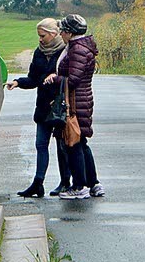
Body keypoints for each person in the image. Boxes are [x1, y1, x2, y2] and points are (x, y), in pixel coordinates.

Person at [6, 18, 71, 198]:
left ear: (53, 34)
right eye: (39, 36)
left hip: (59, 105)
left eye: (43, 36)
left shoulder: (65, 52)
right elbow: (34, 79)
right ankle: (38, 183)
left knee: (62, 145)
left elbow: (71, 78)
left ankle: (66, 182)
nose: (40, 40)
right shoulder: (39, 53)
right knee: (41, 144)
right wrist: (18, 82)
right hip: (43, 106)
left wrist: (56, 78)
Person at [44, 14, 105, 200]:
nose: (61, 33)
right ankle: (93, 183)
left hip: (75, 102)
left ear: (70, 32)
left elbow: (75, 79)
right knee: (81, 142)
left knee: (73, 143)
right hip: (81, 100)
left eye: (62, 30)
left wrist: (55, 78)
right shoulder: (80, 46)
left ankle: (80, 185)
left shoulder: (77, 49)